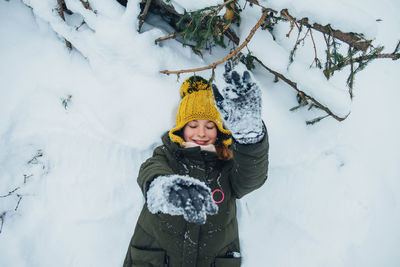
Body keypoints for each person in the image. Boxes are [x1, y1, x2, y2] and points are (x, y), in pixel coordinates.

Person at [123, 63, 269, 267]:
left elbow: (252, 177)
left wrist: (250, 140)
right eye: (193, 125)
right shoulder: (169, 154)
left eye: (210, 126)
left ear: (219, 131)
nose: (201, 133)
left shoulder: (228, 163)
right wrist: (161, 185)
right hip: (157, 256)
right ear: (181, 128)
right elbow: (150, 169)